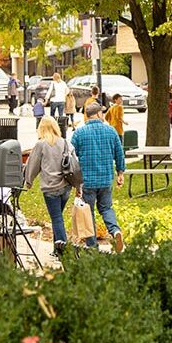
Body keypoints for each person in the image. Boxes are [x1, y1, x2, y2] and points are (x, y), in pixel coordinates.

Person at [70, 102, 126, 251]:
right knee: (106, 208)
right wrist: (120, 173)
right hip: (106, 178)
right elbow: (119, 153)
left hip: (87, 181)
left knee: (89, 213)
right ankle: (115, 231)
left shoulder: (79, 133)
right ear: (99, 114)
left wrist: (75, 182)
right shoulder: (111, 131)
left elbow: (71, 158)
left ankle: (92, 246)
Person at [24, 116, 75, 255]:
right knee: (57, 218)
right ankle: (56, 249)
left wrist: (28, 181)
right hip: (66, 186)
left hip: (50, 187)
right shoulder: (65, 143)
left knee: (57, 218)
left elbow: (33, 165)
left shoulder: (41, 144)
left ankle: (63, 250)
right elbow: (74, 164)